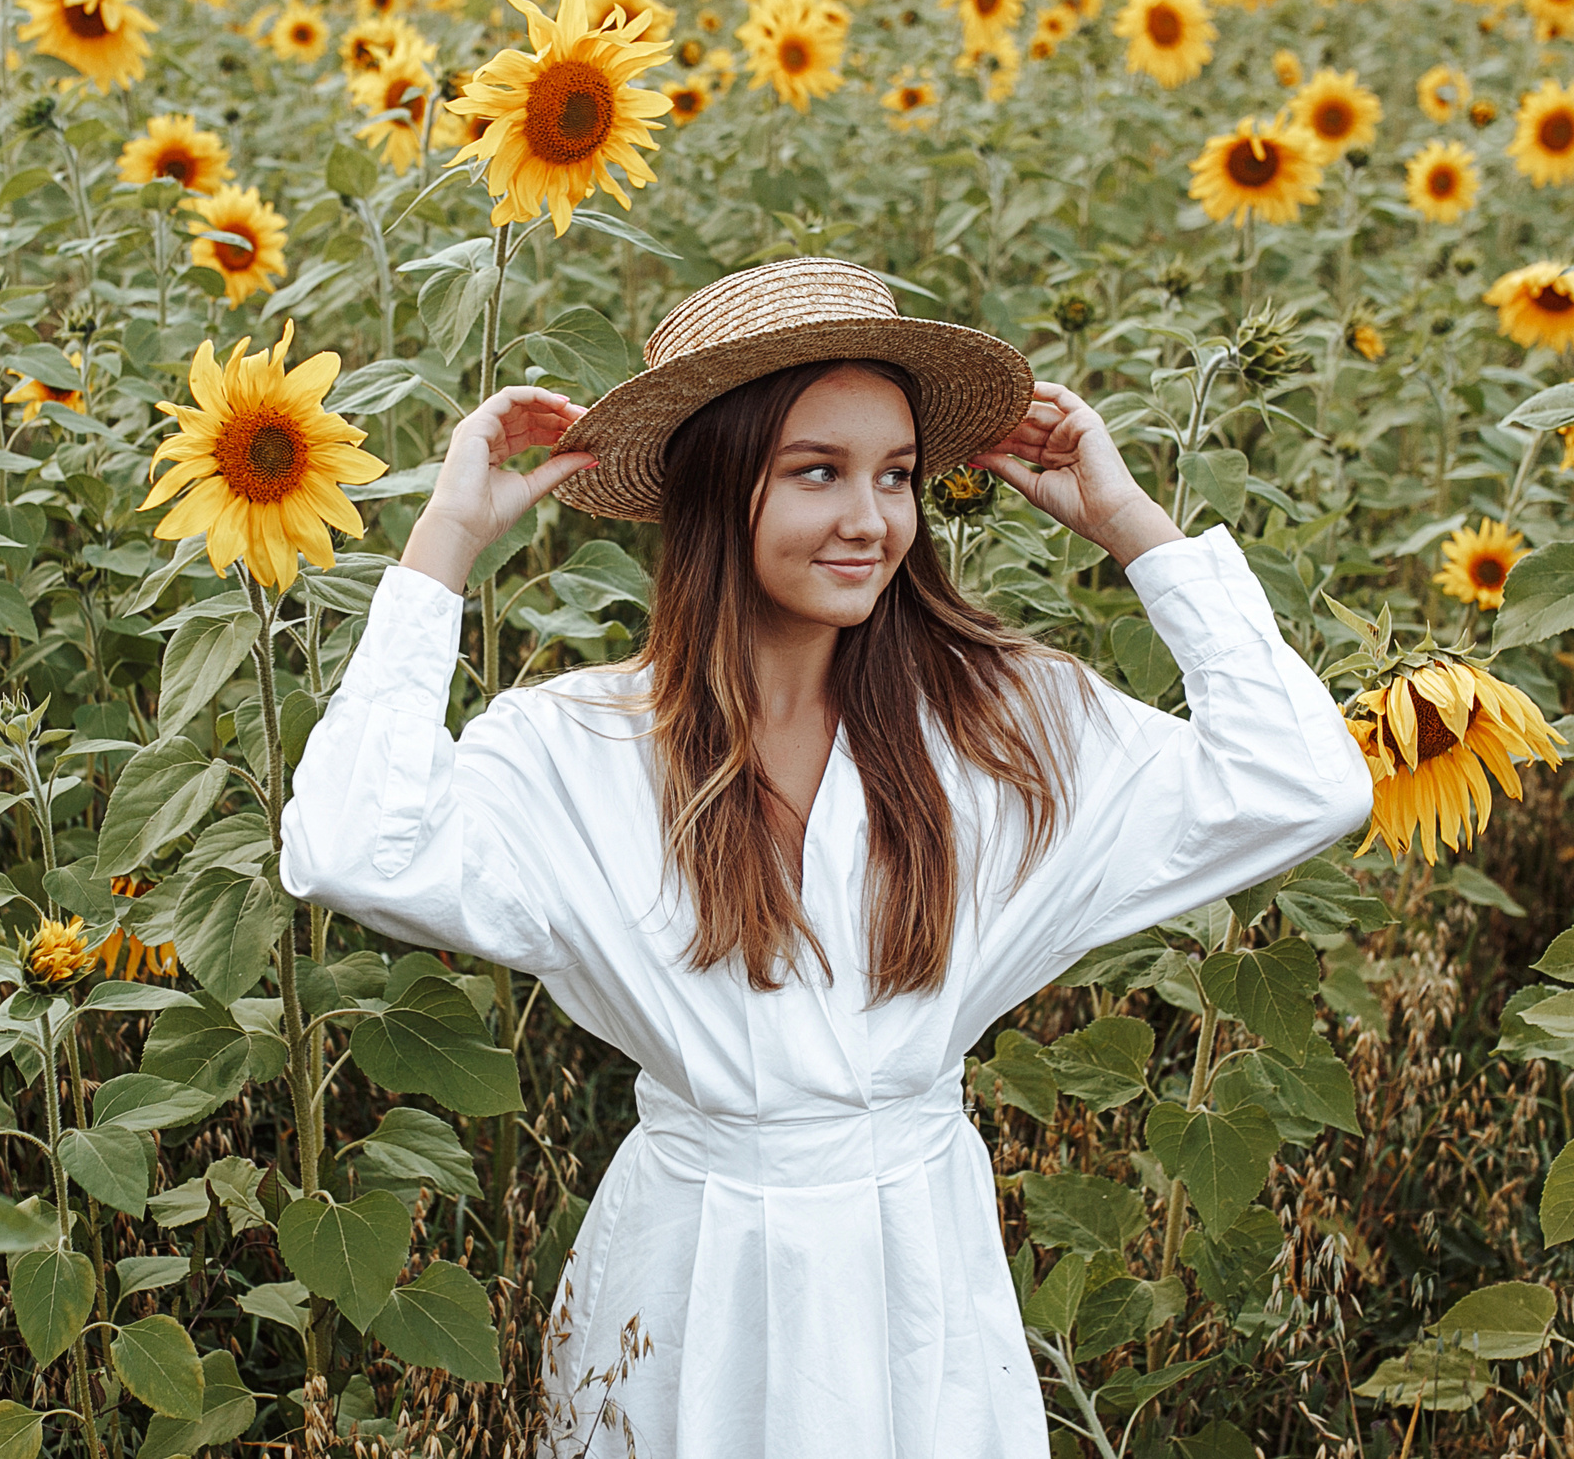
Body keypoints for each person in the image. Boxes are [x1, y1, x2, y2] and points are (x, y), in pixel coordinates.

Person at [280, 258, 1371, 1457]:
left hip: (917, 1269)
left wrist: (1134, 528)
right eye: (818, 471)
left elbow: (1301, 784)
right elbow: (346, 848)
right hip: (688, 1273)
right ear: (715, 486)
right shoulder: (582, 747)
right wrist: (442, 547)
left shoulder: (998, 725)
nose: (872, 519)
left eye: (897, 473)